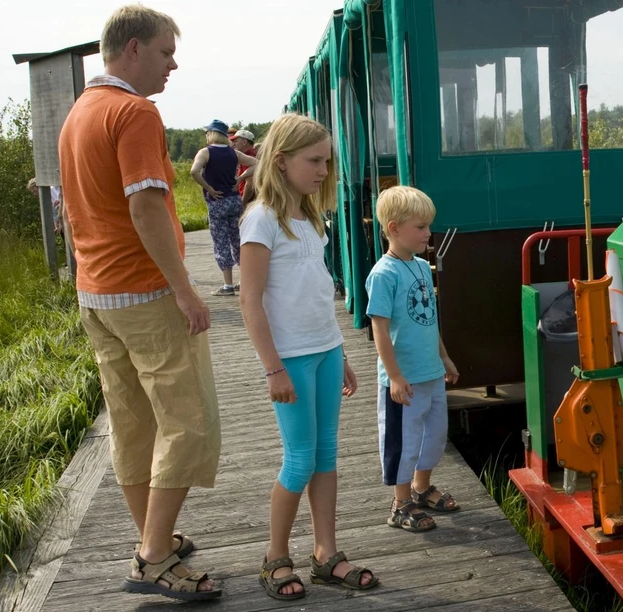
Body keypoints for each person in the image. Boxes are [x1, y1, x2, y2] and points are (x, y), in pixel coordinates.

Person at [57, 4, 221, 602]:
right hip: (146, 293)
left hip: (97, 294)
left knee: (134, 424)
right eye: (164, 52)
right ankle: (153, 558)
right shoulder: (133, 112)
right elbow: (146, 206)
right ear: (131, 49)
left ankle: (158, 537)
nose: (172, 64)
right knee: (189, 422)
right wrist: (184, 287)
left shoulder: (80, 112)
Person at [239, 113, 379, 600]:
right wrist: (273, 367)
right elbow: (250, 301)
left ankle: (326, 553)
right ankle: (275, 557)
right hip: (291, 360)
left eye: (327, 161)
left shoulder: (309, 216)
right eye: (314, 161)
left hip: (324, 351)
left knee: (325, 456)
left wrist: (339, 349)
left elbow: (318, 292)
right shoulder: (262, 219)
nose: (324, 170)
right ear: (280, 161)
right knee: (298, 460)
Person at [365, 186, 461, 533]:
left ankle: (421, 489)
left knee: (433, 436)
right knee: (403, 441)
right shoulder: (383, 274)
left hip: (430, 371)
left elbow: (429, 318)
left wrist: (444, 357)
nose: (428, 233)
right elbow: (379, 326)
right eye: (420, 227)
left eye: (428, 226)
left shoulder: (421, 266)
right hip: (403, 378)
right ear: (394, 228)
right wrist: (393, 375)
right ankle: (400, 502)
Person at [190, 121, 257, 296]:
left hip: (217, 201)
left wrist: (209, 187)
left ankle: (228, 285)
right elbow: (256, 163)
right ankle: (245, 281)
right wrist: (240, 178)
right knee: (238, 240)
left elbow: (194, 171)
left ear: (211, 134)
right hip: (234, 200)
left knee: (221, 243)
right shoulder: (233, 152)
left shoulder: (205, 153)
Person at [232, 128, 258, 197]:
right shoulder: (255, 154)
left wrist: (243, 202)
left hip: (250, 200)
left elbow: (250, 182)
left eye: (235, 141)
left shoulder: (248, 157)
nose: (233, 144)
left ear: (244, 142)